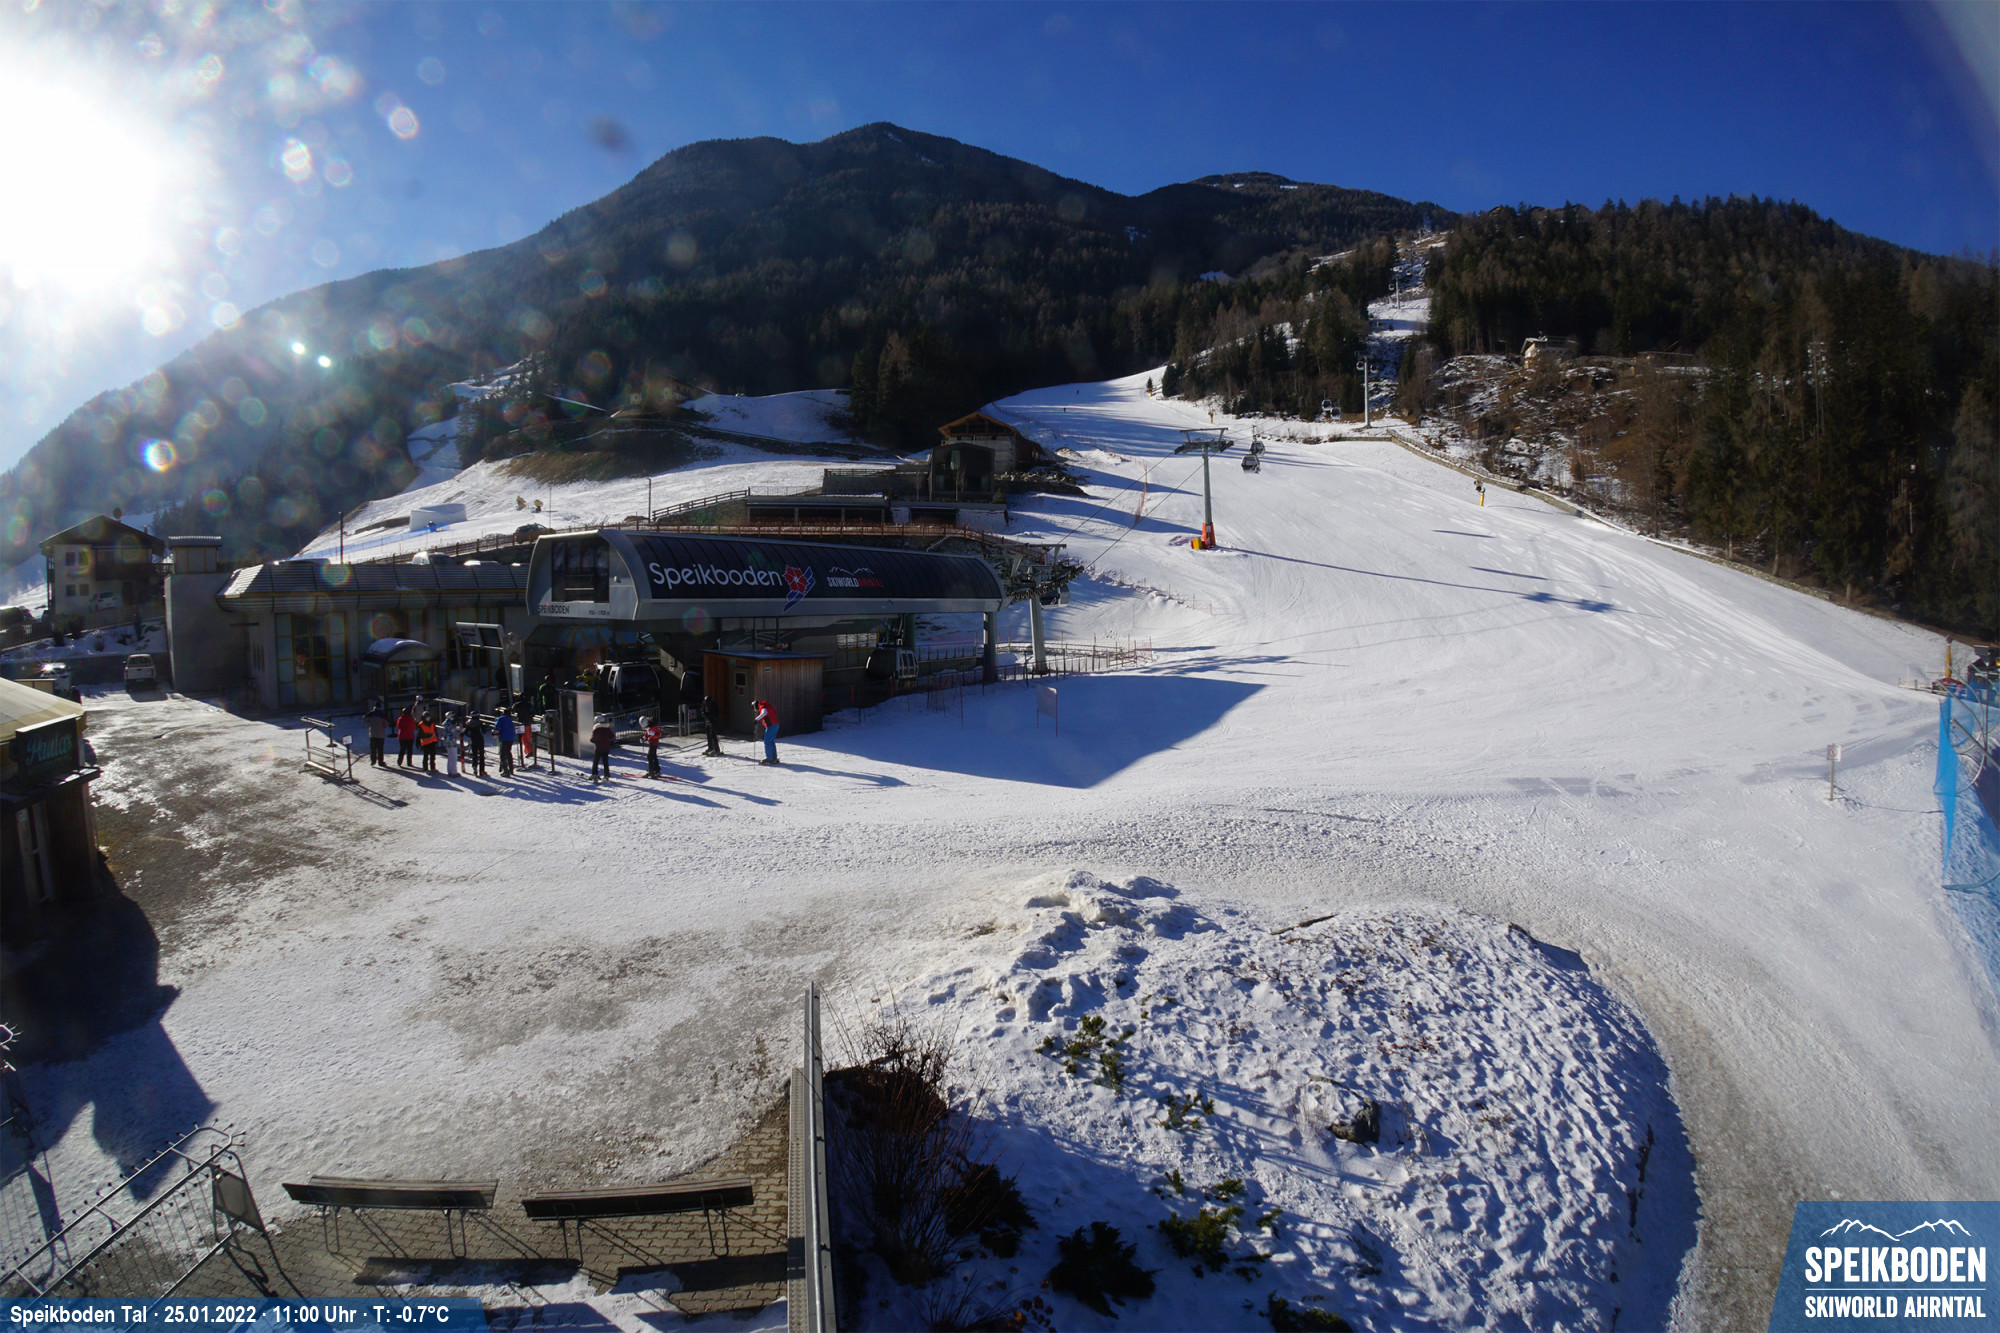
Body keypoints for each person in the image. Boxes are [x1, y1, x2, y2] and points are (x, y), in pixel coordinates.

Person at [589, 714, 617, 782]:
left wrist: (596, 741)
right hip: (606, 748)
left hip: (598, 748)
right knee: (605, 762)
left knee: (596, 761)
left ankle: (594, 774)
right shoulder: (607, 728)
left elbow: (592, 739)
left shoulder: (596, 729)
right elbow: (612, 736)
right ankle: (606, 775)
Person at [754, 698, 780, 765]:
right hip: (775, 725)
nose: (756, 710)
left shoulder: (763, 707)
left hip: (771, 726)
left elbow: (764, 713)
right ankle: (774, 758)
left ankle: (769, 759)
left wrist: (756, 720)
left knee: (767, 741)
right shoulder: (765, 706)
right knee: (771, 741)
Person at [365, 698, 389, 767]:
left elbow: (365, 721)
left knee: (373, 748)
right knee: (380, 749)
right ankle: (380, 762)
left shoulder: (370, 714)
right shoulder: (383, 715)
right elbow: (386, 725)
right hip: (381, 734)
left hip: (372, 734)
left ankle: (373, 761)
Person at [466, 711, 488, 777]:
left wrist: (470, 735)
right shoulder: (480, 723)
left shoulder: (469, 723)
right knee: (481, 755)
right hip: (480, 740)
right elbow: (484, 731)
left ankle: (475, 768)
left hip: (473, 740)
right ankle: (482, 771)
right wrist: (484, 726)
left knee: (474, 755)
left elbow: (466, 732)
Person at [495, 709, 517, 776]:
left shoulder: (500, 719)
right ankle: (511, 769)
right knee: (508, 752)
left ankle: (505, 770)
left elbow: (496, 727)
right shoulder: (510, 720)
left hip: (504, 737)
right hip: (511, 738)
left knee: (502, 754)